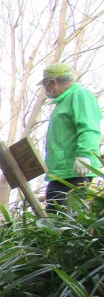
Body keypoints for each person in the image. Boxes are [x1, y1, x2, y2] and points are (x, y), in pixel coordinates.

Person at [40, 62, 102, 211]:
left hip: (75, 172)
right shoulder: (63, 102)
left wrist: (84, 155)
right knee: (55, 219)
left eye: (46, 85)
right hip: (61, 172)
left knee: (67, 221)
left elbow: (89, 128)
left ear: (53, 82)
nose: (46, 90)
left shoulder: (80, 95)